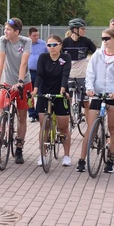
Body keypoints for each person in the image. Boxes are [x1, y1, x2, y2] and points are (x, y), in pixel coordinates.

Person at [77, 28, 114, 174]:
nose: (104, 41)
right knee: (90, 129)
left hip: (112, 95)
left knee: (113, 129)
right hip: (97, 94)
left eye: (107, 38)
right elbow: (90, 74)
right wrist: (89, 88)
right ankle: (82, 159)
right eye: (102, 39)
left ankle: (111, 159)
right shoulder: (97, 55)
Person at [0, 18, 32, 164]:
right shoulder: (3, 40)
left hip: (24, 82)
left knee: (22, 116)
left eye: (9, 29)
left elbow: (23, 63)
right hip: (8, 82)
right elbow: (0, 62)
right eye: (5, 29)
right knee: (3, 112)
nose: (6, 32)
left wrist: (21, 82)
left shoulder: (25, 42)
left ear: (17, 31)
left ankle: (19, 148)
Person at [31, 35, 72, 166]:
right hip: (45, 93)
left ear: (60, 45)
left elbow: (65, 74)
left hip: (60, 93)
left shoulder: (65, 57)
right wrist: (35, 90)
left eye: (54, 45)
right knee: (44, 126)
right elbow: (39, 75)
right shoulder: (43, 58)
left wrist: (62, 89)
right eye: (49, 45)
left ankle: (66, 155)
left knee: (63, 127)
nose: (52, 48)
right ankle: (42, 155)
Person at [62, 18, 97, 112]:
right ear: (74, 30)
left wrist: (91, 63)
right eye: (82, 29)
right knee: (67, 99)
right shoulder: (65, 42)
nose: (84, 31)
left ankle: (89, 122)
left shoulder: (86, 41)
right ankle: (68, 119)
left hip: (82, 75)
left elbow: (97, 54)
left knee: (85, 102)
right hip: (69, 75)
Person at [27, 27, 48, 123]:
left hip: (40, 73)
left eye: (37, 35)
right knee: (29, 94)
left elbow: (48, 56)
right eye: (34, 35)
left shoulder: (43, 44)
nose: (36, 37)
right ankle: (32, 114)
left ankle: (39, 111)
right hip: (28, 72)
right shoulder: (26, 44)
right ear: (29, 35)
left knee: (40, 93)